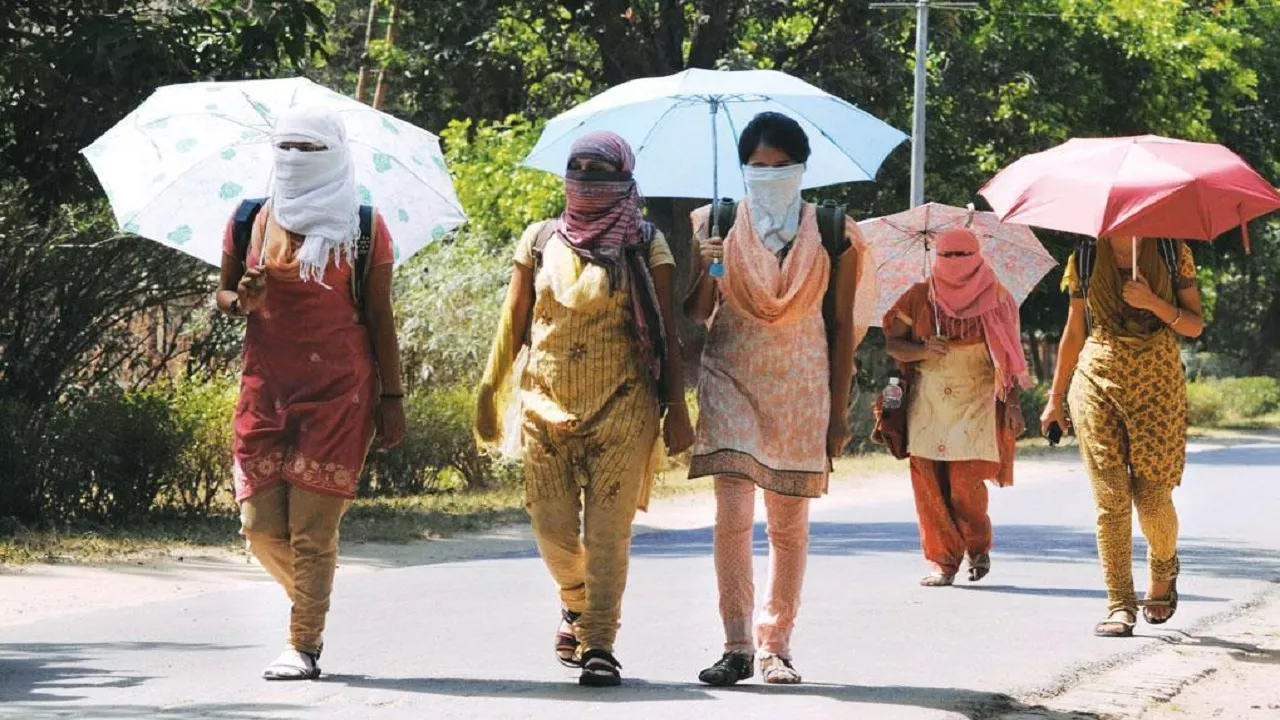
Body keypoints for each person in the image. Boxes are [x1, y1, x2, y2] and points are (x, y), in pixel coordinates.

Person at [474, 131, 694, 687]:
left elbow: (667, 333)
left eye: (601, 167)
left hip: (624, 405)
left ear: (623, 176)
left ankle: (599, 641)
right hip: (544, 406)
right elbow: (513, 322)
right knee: (551, 529)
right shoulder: (540, 238)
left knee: (607, 533)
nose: (588, 174)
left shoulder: (646, 243)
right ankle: (575, 602)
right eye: (579, 165)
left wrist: (678, 407)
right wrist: (488, 389)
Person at [685, 112, 877, 686]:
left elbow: (841, 326)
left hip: (801, 383)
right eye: (758, 167)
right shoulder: (714, 223)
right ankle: (737, 643)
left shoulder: (836, 231)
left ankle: (777, 645)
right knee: (733, 518)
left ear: (802, 169)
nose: (769, 176)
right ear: (743, 169)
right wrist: (706, 264)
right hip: (730, 376)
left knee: (788, 525)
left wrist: (838, 412)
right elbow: (698, 314)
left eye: (781, 166)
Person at [215, 106, 406, 680]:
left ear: (336, 154)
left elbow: (379, 316)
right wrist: (240, 299)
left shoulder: (364, 227)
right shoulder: (249, 218)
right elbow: (222, 295)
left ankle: (303, 643)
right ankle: (313, 595)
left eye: (310, 149)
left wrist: (392, 400)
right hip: (266, 390)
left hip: (341, 395)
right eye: (288, 148)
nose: (295, 159)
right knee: (260, 526)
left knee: (313, 530)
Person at [1041, 236, 1203, 637]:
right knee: (1111, 498)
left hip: (1157, 381)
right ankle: (1119, 604)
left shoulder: (1172, 252)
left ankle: (1164, 566)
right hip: (1097, 377)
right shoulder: (1085, 255)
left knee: (1151, 498)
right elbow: (1075, 329)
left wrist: (1154, 303)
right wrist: (1055, 397)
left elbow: (1194, 325)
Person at [884, 227, 1030, 587]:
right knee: (928, 482)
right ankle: (943, 562)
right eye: (946, 256)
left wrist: (1012, 404)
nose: (954, 264)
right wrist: (922, 351)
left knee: (965, 483)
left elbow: (1010, 357)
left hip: (978, 398)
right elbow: (892, 343)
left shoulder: (998, 298)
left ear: (978, 255)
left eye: (962, 255)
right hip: (928, 401)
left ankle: (978, 548)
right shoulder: (918, 297)